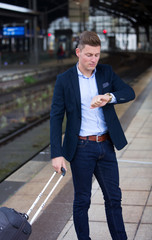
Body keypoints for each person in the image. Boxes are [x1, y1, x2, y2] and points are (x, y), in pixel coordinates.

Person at [50, 31, 135, 240]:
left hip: (106, 145)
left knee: (114, 198)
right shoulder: (64, 80)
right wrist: (56, 154)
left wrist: (109, 96)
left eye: (96, 55)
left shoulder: (106, 72)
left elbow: (129, 92)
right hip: (81, 148)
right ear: (78, 52)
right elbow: (55, 117)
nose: (93, 60)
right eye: (89, 55)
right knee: (82, 201)